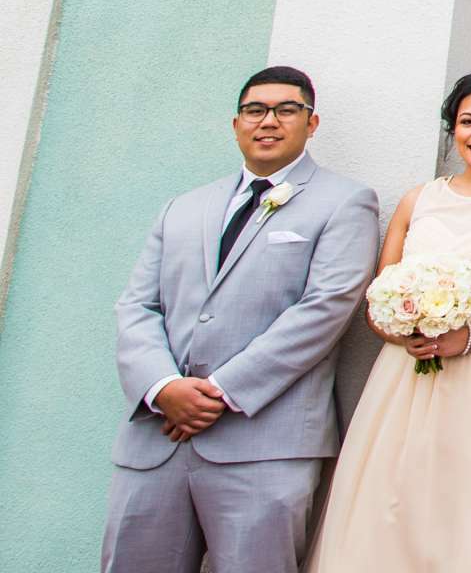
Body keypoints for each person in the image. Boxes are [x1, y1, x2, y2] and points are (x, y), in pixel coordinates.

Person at [105, 65, 380, 573]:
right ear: (236, 124)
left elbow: (325, 308)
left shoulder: (345, 202)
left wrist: (219, 392)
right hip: (158, 439)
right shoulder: (181, 208)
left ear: (311, 123)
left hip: (264, 443)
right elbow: (137, 306)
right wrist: (165, 386)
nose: (268, 121)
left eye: (286, 109)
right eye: (255, 110)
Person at [309, 66, 471, 572]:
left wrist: (469, 338)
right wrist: (401, 327)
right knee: (392, 502)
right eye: (467, 121)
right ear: (453, 128)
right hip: (407, 373)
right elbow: (379, 293)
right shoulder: (419, 199)